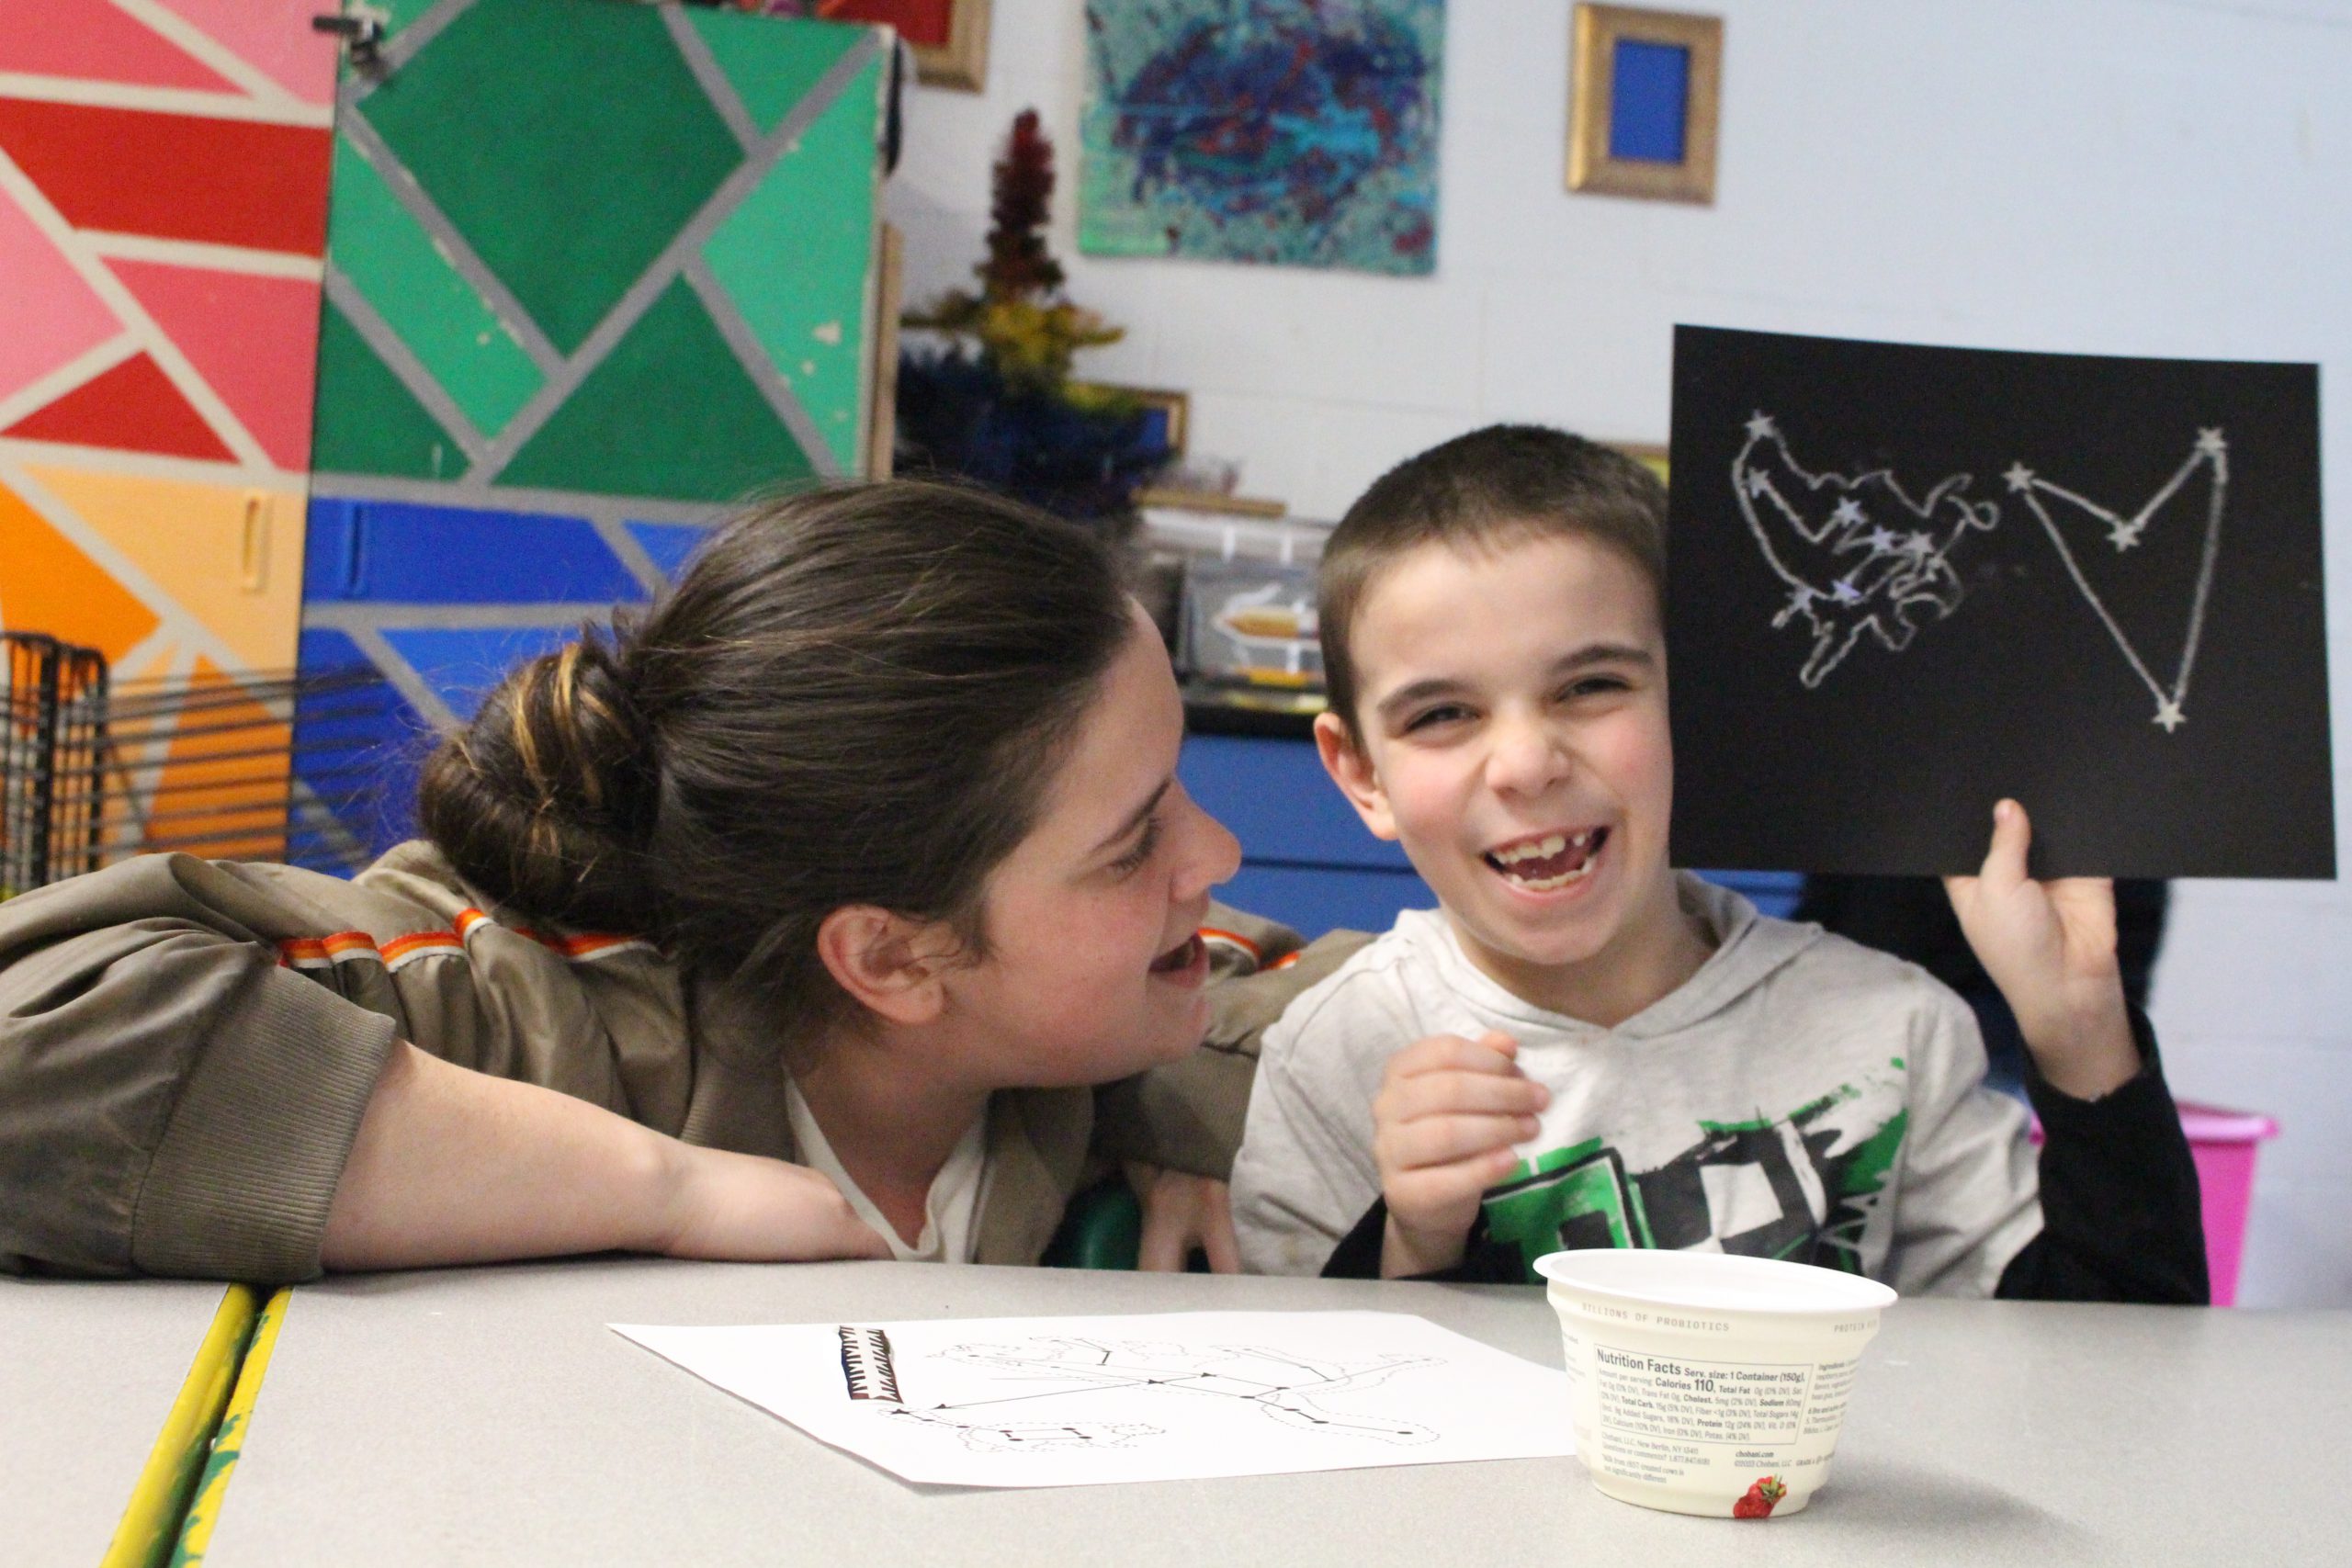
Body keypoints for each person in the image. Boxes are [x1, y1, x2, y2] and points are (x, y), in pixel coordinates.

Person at [0, 480, 1358, 1281]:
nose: (1216, 857)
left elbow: (1367, 987)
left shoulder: (1069, 1023)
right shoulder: (529, 996)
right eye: (1135, 843)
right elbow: (39, 1034)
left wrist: (1186, 1087)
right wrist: (674, 1190)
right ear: (886, 957)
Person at [1228, 425, 2206, 1301]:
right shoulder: (1339, 1050)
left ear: (1694, 705)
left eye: (1591, 685)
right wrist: (1412, 1241)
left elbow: (2108, 1385)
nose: (1526, 764)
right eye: (1442, 714)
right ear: (1362, 775)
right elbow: (1313, 1429)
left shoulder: (1891, 1031)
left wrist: (2080, 1034)